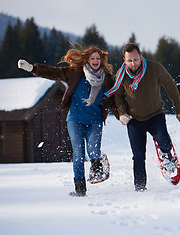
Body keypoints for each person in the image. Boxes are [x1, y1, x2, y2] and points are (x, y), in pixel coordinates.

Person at [18, 45, 118, 197]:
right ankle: (80, 190)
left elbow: (113, 100)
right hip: (75, 120)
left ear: (102, 60)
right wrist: (32, 68)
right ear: (87, 60)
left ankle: (98, 161)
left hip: (95, 121)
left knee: (93, 151)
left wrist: (121, 115)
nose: (96, 61)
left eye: (98, 58)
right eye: (93, 58)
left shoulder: (107, 78)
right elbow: (54, 73)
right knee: (78, 155)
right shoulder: (75, 73)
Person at [105, 43, 180, 192]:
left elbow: (170, 86)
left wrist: (179, 110)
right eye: (129, 60)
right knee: (138, 156)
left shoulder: (155, 68)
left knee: (163, 140)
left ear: (141, 57)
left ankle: (167, 156)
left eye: (136, 59)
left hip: (155, 115)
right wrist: (122, 112)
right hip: (134, 120)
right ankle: (140, 189)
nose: (133, 63)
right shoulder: (121, 75)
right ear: (124, 60)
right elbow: (117, 95)